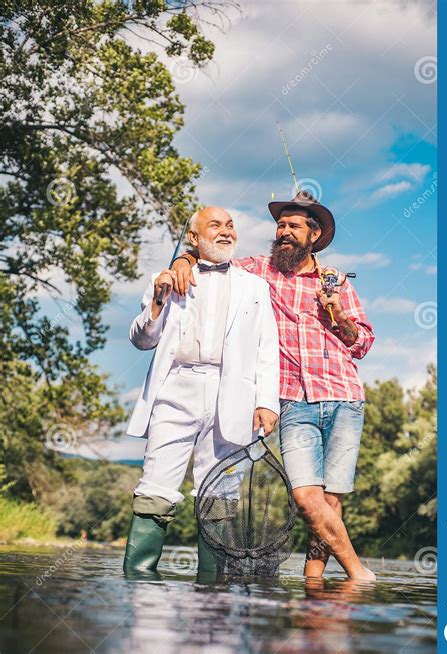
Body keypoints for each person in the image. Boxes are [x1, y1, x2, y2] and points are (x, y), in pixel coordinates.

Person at [172, 190, 376, 581]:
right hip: (293, 401)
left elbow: (364, 342)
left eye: (293, 227)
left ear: (313, 235)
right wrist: (184, 256)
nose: (284, 232)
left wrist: (338, 314)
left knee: (330, 500)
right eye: (280, 225)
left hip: (345, 396)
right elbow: (214, 254)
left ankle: (314, 581)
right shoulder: (256, 271)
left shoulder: (336, 281)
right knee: (305, 497)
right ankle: (357, 573)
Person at [123, 206, 280, 576]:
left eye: (230, 225)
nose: (226, 232)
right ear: (193, 238)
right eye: (215, 225)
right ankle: (139, 581)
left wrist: (267, 402)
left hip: (234, 394)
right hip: (176, 388)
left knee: (222, 493)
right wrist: (159, 299)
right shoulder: (163, 280)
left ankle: (213, 590)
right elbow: (141, 340)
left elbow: (266, 348)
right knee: (156, 483)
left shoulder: (255, 287)